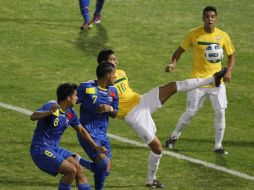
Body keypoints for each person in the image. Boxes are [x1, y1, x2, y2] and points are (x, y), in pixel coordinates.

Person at [97, 49, 227, 188]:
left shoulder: (121, 73)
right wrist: (110, 109)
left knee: (173, 86)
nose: (117, 62)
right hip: (133, 116)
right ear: (104, 63)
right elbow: (112, 112)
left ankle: (213, 79)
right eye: (113, 60)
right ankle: (151, 179)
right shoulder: (101, 88)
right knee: (158, 148)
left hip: (142, 101)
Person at [164, 6, 236, 154]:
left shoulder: (223, 36)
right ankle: (173, 137)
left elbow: (231, 56)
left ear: (216, 18)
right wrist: (173, 63)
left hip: (216, 82)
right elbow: (179, 51)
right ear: (203, 18)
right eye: (207, 17)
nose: (210, 19)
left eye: (212, 16)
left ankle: (218, 146)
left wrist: (228, 71)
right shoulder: (193, 34)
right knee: (190, 112)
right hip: (197, 82)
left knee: (220, 112)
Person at [30, 83, 107, 190]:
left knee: (79, 169)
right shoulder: (51, 106)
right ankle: (88, 165)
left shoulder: (70, 113)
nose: (77, 98)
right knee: (71, 170)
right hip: (41, 149)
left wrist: (95, 146)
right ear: (68, 97)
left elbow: (81, 130)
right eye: (75, 95)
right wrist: (48, 112)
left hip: (55, 148)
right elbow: (33, 116)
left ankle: (86, 165)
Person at [76, 62, 119, 190]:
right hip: (87, 133)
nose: (115, 77)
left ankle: (79, 161)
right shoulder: (87, 87)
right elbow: (70, 101)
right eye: (114, 75)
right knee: (103, 163)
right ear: (107, 75)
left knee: (106, 171)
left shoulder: (113, 91)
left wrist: (109, 108)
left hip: (102, 135)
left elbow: (115, 113)